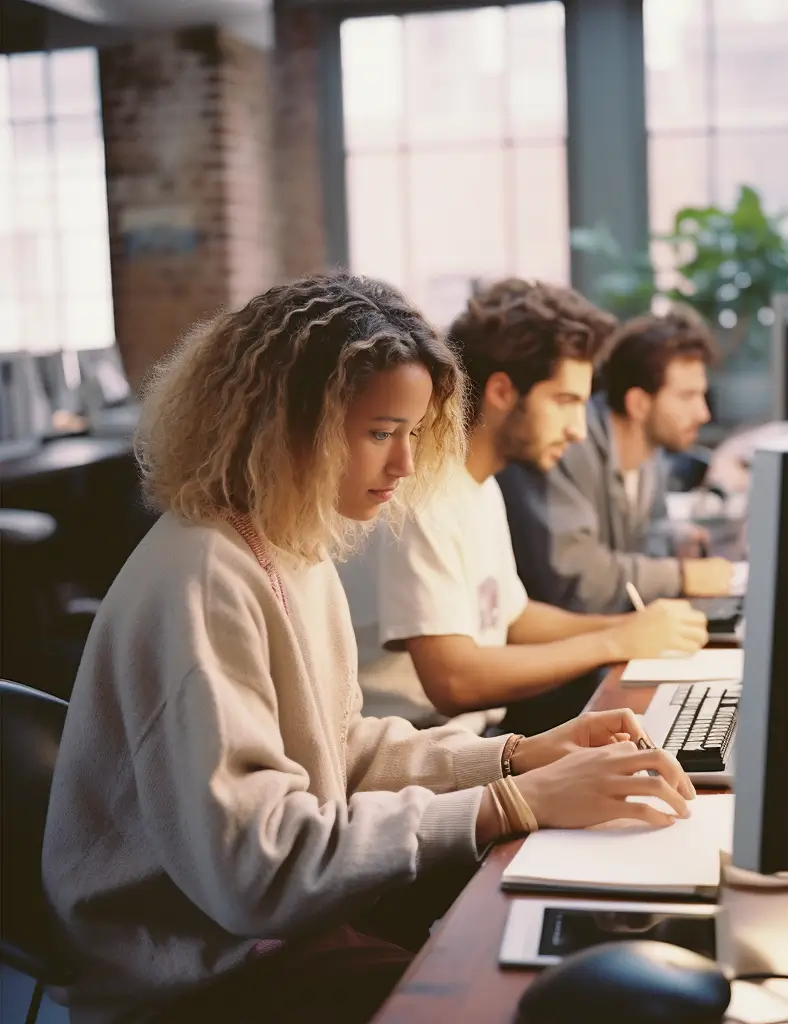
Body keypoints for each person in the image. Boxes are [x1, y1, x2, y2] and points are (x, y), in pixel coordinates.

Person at [40, 272, 697, 1024]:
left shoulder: (288, 539)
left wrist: (517, 757)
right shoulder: (203, 578)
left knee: (545, 958)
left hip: (270, 936)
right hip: (195, 978)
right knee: (507, 997)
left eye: (413, 434)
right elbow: (260, 870)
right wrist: (504, 805)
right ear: (283, 424)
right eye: (381, 433)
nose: (407, 466)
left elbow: (339, 751)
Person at [376, 279, 708, 737]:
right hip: (415, 755)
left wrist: (635, 629)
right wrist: (614, 640)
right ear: (501, 391)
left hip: (469, 742)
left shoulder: (479, 485)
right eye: (564, 402)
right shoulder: (420, 494)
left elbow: (513, 617)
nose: (577, 430)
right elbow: (454, 680)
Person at [498, 307, 735, 615]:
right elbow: (577, 578)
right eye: (687, 396)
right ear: (638, 403)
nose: (703, 413)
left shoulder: (651, 457)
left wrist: (675, 538)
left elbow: (641, 538)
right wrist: (681, 576)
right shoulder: (565, 446)